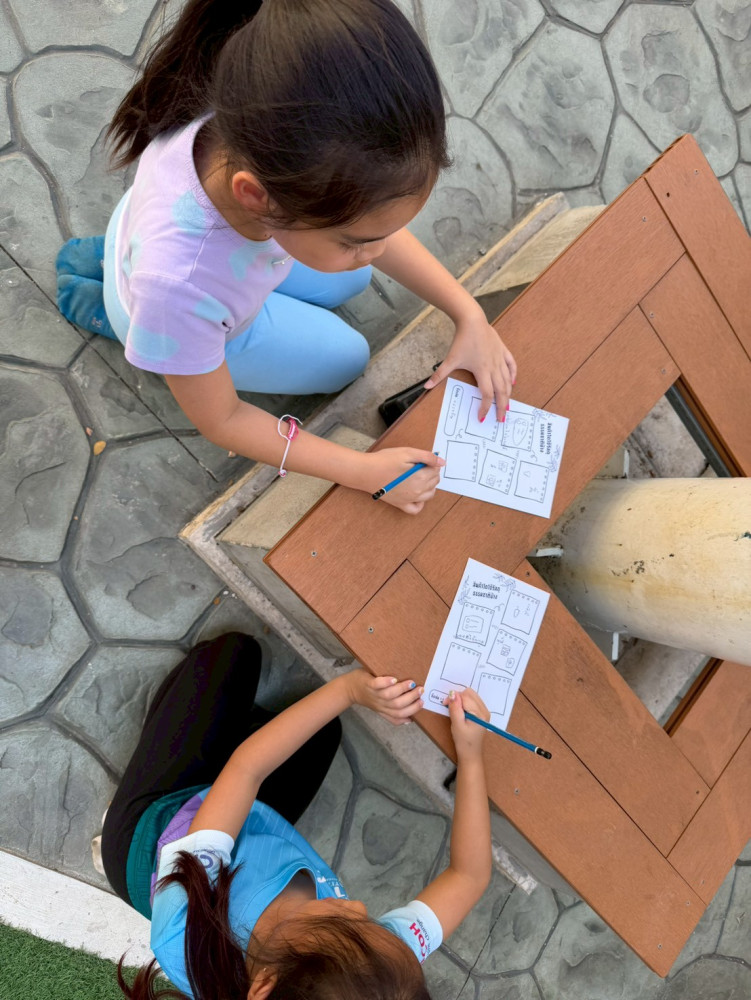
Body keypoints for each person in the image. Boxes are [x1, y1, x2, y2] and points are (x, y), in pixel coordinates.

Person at [56, 0, 517, 515]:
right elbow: (223, 419)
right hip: (176, 301)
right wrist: (364, 470)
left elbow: (365, 228)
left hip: (191, 251)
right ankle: (127, 323)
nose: (379, 250)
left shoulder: (258, 117)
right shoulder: (178, 288)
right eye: (355, 240)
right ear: (258, 197)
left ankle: (123, 264)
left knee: (352, 279)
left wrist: (467, 313)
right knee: (347, 358)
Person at [102, 631, 492, 999]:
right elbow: (470, 876)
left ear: (264, 985)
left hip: (154, 826)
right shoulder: (375, 970)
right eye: (373, 924)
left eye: (346, 922)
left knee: (235, 654)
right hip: (253, 829)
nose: (358, 907)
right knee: (324, 734)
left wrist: (348, 690)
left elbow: (246, 770)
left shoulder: (186, 924)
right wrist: (472, 755)